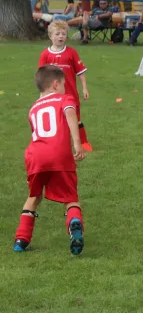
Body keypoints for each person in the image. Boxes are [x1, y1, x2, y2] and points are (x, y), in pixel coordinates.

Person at [13, 65, 86, 255]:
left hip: (35, 156)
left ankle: (21, 240)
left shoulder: (33, 108)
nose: (64, 88)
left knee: (33, 197)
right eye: (63, 84)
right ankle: (74, 224)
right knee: (71, 198)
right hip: (59, 155)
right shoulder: (64, 99)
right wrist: (77, 143)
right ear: (55, 84)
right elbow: (70, 114)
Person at [38, 21, 92, 152]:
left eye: (63, 34)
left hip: (70, 94)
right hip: (52, 95)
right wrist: (41, 94)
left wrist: (84, 88)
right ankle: (58, 144)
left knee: (76, 119)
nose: (61, 36)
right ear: (50, 36)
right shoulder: (45, 54)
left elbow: (80, 72)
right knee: (56, 120)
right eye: (57, 34)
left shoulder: (71, 53)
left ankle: (83, 142)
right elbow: (42, 76)